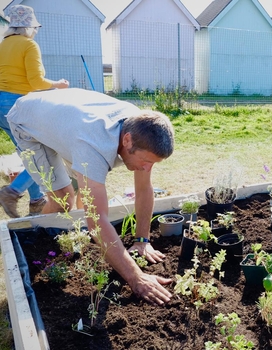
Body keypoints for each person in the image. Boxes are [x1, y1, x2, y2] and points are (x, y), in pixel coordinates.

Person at [7, 87, 175, 305]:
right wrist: (137, 278)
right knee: (63, 199)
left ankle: (64, 237)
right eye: (146, 161)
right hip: (27, 120)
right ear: (127, 141)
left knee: (79, 193)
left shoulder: (140, 127)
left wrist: (142, 240)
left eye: (153, 163)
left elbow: (144, 189)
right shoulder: (93, 146)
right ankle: (40, 244)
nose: (147, 168)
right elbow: (96, 221)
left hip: (67, 121)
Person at [0, 4, 70, 218]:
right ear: (28, 27)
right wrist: (59, 84)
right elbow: (36, 82)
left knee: (27, 153)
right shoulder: (29, 45)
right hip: (19, 105)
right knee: (42, 155)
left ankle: (37, 200)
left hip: (1, 104)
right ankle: (12, 191)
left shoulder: (3, 45)